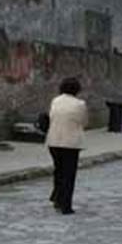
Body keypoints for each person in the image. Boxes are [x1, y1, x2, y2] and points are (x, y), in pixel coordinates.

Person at [45, 77, 88, 215]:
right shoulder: (80, 104)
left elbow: (52, 117)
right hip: (71, 143)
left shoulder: (55, 101)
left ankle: (57, 198)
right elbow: (84, 121)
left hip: (54, 141)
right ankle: (66, 205)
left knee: (58, 171)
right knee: (69, 174)